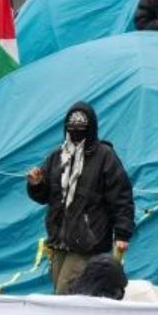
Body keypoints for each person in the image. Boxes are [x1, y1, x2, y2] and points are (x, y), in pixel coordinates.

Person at [27, 102, 135, 294]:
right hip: (59, 240)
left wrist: (122, 234)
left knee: (64, 293)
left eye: (81, 124)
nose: (76, 128)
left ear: (91, 126)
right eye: (72, 124)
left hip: (89, 243)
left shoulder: (105, 156)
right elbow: (45, 197)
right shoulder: (57, 156)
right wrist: (36, 184)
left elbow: (122, 197)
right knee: (63, 291)